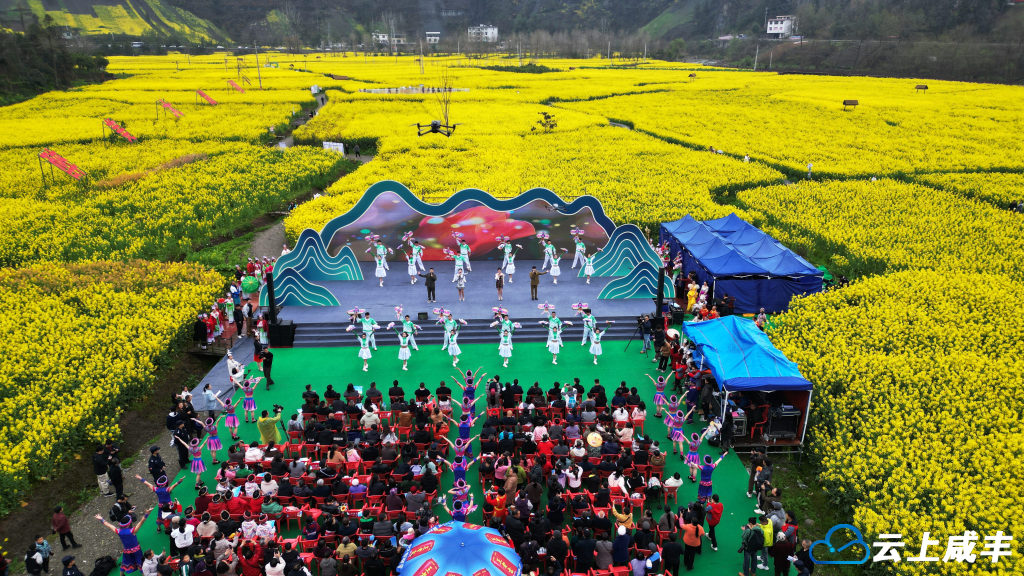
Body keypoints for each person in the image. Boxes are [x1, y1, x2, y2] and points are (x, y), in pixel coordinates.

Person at [94, 507, 153, 574]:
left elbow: (108, 525)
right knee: (140, 563)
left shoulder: (118, 531)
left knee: (124, 563)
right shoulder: (132, 531)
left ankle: (121, 575)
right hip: (136, 550)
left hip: (126, 551)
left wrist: (101, 519)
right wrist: (147, 513)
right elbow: (141, 521)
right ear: (128, 524)